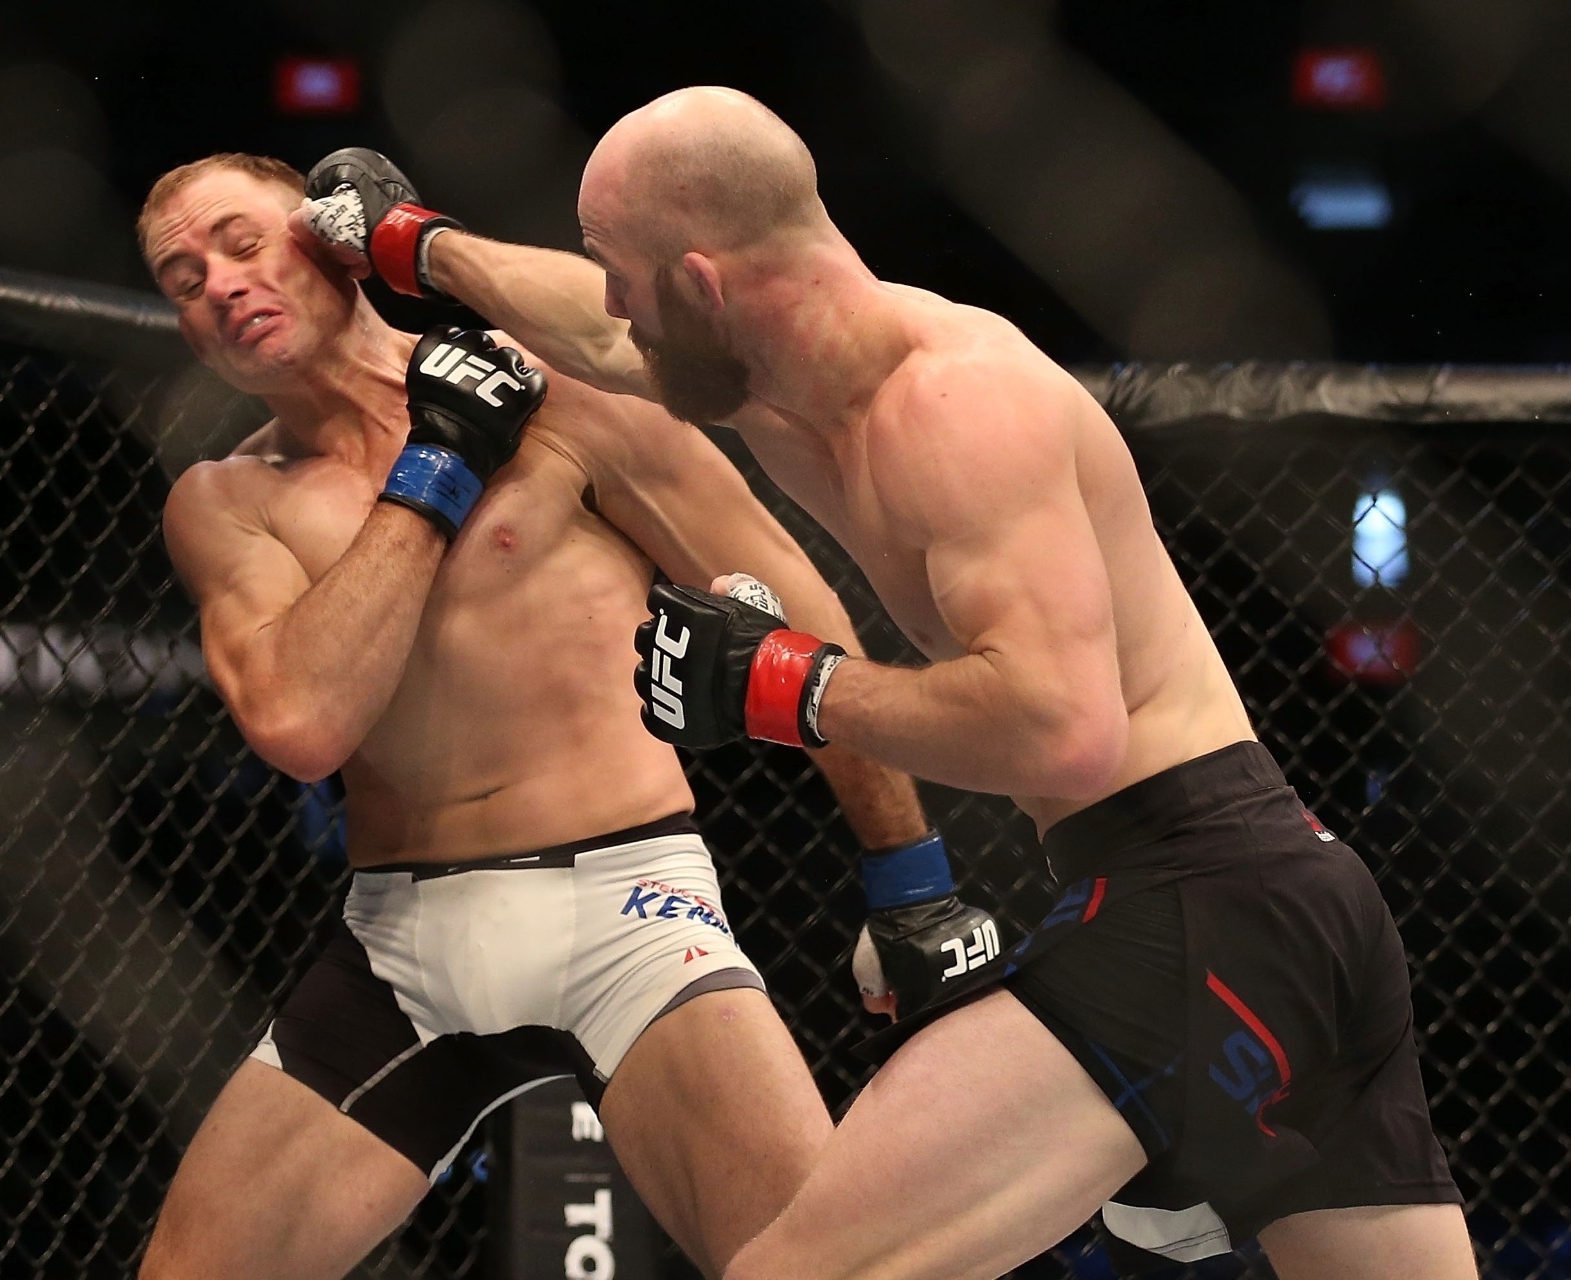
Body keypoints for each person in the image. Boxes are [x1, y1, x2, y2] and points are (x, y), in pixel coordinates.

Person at [296, 89, 1476, 1280]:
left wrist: (784, 684)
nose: (609, 300)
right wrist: (417, 243)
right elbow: (602, 341)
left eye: (623, 269)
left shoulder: (953, 408)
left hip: (1194, 900)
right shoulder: (786, 382)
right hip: (1282, 894)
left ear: (704, 283)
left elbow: (1063, 730)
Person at [133, 151, 993, 1280]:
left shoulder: (556, 395)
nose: (220, 282)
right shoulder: (223, 503)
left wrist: (908, 870)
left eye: (243, 242)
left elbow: (795, 605)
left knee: (824, 1264)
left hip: (628, 907)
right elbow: (302, 721)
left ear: (326, 239)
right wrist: (436, 468)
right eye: (183, 277)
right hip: (403, 945)